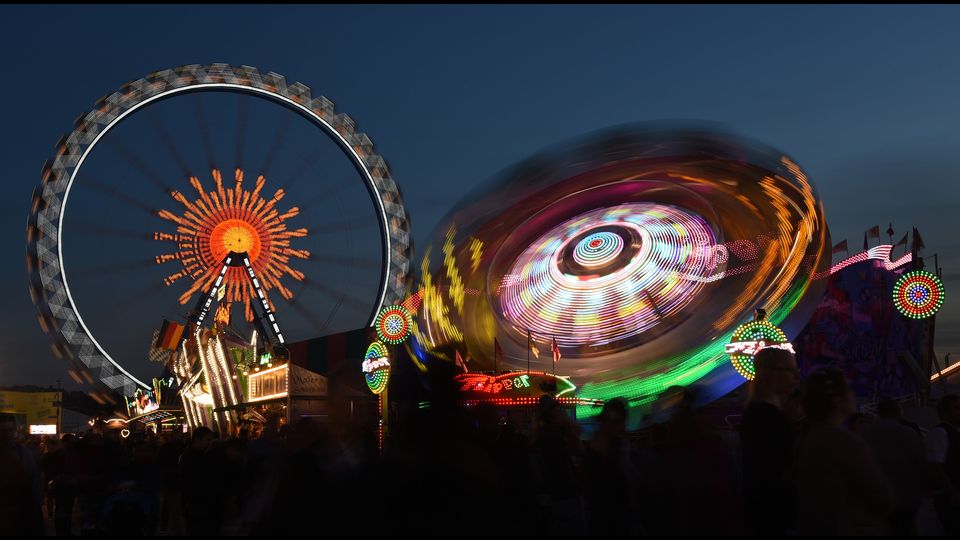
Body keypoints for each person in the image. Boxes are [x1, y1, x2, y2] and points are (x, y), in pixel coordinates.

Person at [794, 368, 895, 535]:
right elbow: (882, 498)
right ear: (837, 401)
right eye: (848, 389)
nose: (852, 394)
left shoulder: (806, 437)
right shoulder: (846, 443)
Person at [738, 347, 799, 535]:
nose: (795, 378)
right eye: (790, 371)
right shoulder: (768, 417)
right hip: (774, 511)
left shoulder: (756, 413)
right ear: (774, 374)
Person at [859, 399, 927, 535]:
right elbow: (920, 460)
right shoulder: (907, 432)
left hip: (876, 492)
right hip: (907, 491)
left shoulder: (864, 433)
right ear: (898, 411)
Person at [0, 413, 43, 535]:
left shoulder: (24, 454)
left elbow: (32, 484)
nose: (7, 434)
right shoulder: (23, 453)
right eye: (2, 431)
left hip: (19, 513)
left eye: (10, 430)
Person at [925, 394, 960, 535]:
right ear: (945, 413)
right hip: (949, 497)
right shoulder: (940, 433)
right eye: (956, 408)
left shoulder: (954, 433)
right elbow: (936, 467)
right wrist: (952, 492)